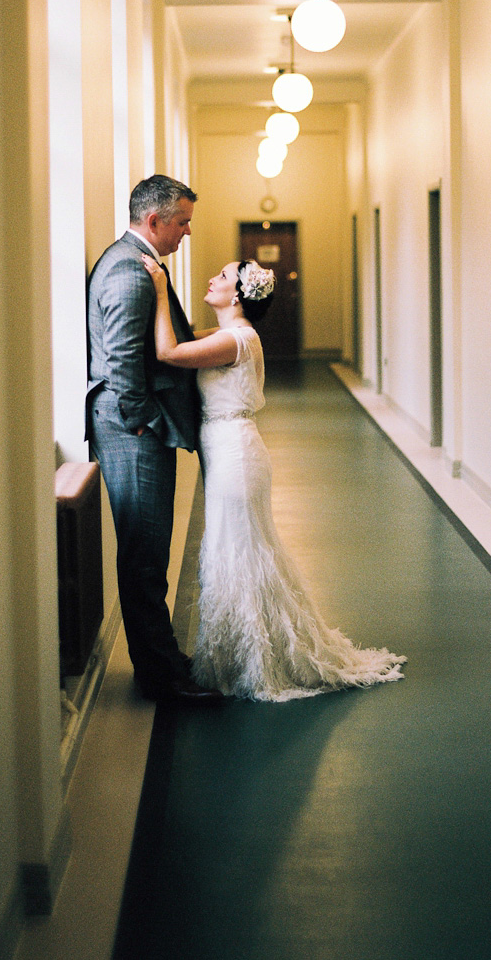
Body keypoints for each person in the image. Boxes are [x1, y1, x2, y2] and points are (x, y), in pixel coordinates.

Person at [140, 253, 406, 701]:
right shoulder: (230, 334)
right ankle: (240, 655)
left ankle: (260, 659)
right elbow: (178, 339)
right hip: (228, 453)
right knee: (232, 551)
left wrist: (162, 289)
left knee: (241, 553)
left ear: (238, 294)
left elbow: (169, 352)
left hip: (236, 457)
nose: (211, 278)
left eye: (221, 276)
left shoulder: (238, 339)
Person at [86, 175, 223, 705]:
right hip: (130, 430)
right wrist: (142, 420)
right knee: (144, 554)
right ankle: (162, 677)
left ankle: (162, 660)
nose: (187, 231)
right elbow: (122, 359)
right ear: (154, 221)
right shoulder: (129, 272)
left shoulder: (138, 263)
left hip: (134, 426)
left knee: (149, 550)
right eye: (183, 222)